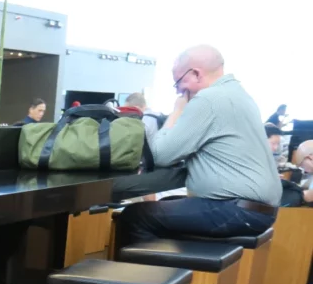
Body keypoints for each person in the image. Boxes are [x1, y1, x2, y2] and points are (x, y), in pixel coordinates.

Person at [117, 45, 281, 245]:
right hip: (257, 210)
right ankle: (172, 271)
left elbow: (159, 155)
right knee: (165, 206)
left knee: (136, 216)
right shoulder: (239, 95)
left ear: (195, 73)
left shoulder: (209, 99)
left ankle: (146, 275)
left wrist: (177, 110)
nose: (179, 91)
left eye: (178, 82)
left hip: (236, 210)